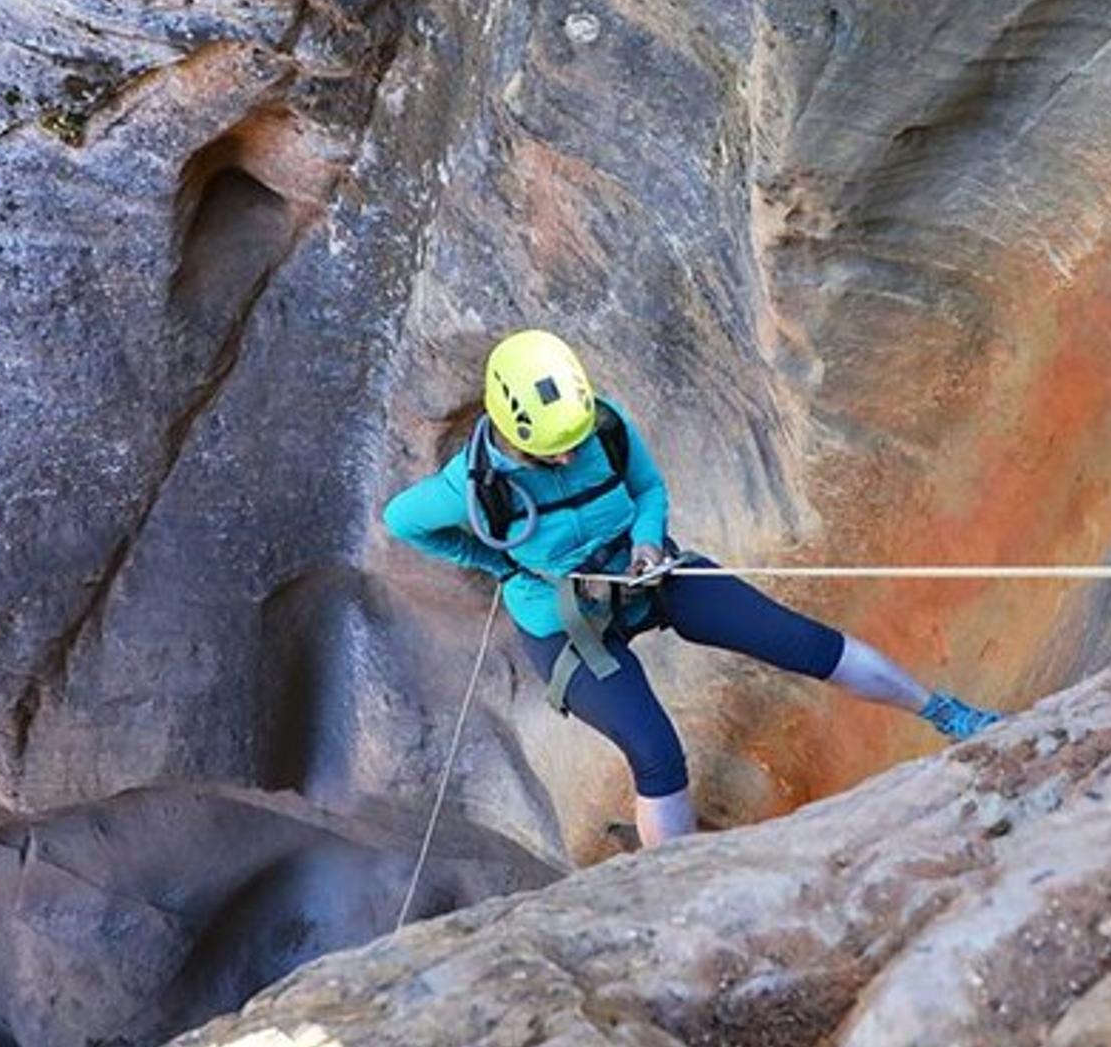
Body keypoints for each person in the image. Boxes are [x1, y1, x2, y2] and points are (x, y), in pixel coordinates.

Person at [382, 329, 1000, 846]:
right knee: (656, 753)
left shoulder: (601, 425)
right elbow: (402, 521)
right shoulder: (469, 487)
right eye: (554, 452)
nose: (570, 457)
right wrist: (507, 568)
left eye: (574, 444)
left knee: (803, 642)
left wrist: (647, 543)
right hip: (567, 624)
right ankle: (672, 882)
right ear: (512, 432)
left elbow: (647, 488)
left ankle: (949, 714)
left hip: (649, 575)